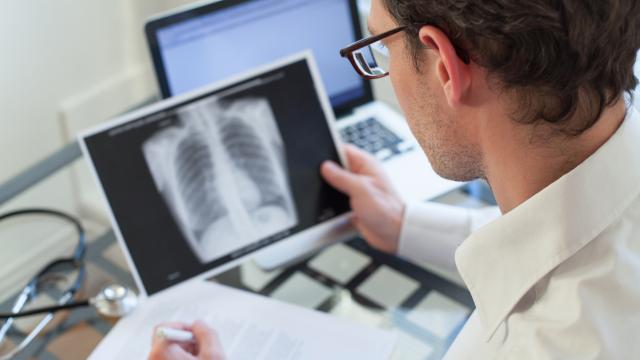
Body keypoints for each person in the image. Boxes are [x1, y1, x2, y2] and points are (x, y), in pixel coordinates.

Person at [149, 0, 640, 358]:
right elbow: (550, 239)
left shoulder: (539, 345)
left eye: (377, 47)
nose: (380, 68)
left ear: (444, 64)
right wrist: (401, 223)